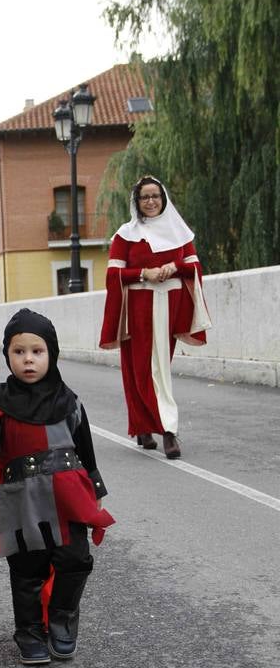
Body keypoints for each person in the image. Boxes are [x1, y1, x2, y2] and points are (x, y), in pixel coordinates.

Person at [0, 309, 114, 666]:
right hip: (22, 500)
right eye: (19, 352)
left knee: (75, 560)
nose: (28, 359)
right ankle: (29, 631)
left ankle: (61, 620)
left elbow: (86, 450)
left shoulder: (70, 402)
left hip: (67, 498)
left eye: (37, 351)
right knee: (28, 568)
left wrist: (95, 489)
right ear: (7, 356)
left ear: (52, 354)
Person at [99, 176, 211, 459]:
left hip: (167, 307)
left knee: (158, 367)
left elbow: (195, 268)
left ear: (163, 199)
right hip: (137, 307)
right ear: (136, 202)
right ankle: (158, 429)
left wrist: (174, 266)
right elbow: (112, 275)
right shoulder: (125, 235)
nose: (150, 201)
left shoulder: (179, 232)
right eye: (145, 197)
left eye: (155, 196)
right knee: (138, 369)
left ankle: (159, 427)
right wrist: (142, 273)